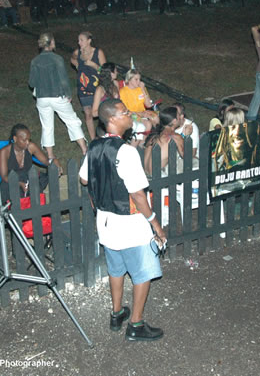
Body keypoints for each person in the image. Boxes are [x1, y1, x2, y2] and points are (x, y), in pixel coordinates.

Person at [79, 98, 166, 342]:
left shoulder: (94, 147)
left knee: (116, 269)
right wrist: (155, 224)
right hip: (130, 223)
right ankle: (136, 324)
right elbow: (138, 194)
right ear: (113, 119)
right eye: (126, 112)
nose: (131, 115)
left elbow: (84, 179)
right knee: (143, 273)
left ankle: (116, 313)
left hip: (106, 222)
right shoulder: (127, 152)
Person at [29, 32, 88, 161]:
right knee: (72, 121)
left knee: (47, 126)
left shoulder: (35, 61)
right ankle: (84, 149)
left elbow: (31, 82)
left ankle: (50, 155)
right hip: (57, 96)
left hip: (42, 98)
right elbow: (64, 80)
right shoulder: (57, 59)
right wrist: (68, 94)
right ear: (50, 43)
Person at [0, 124, 57, 203]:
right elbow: (4, 176)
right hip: (12, 181)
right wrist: (19, 183)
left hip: (29, 179)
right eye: (24, 140)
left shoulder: (31, 147)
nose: (27, 142)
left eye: (29, 139)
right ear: (15, 139)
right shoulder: (5, 151)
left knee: (36, 185)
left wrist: (54, 161)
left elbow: (46, 161)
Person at [71, 32, 107, 140]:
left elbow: (106, 71)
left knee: (101, 112)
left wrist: (95, 66)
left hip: (97, 89)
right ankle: (93, 139)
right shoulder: (78, 52)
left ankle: (105, 135)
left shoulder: (98, 52)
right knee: (88, 113)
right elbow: (72, 58)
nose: (79, 42)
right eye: (78, 40)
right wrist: (76, 64)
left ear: (89, 41)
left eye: (81, 40)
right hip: (83, 88)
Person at [144, 106, 185, 176]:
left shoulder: (155, 134)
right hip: (158, 178)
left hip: (146, 175)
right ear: (174, 121)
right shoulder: (175, 137)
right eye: (179, 116)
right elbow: (186, 157)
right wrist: (186, 135)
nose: (181, 117)